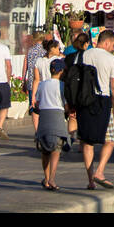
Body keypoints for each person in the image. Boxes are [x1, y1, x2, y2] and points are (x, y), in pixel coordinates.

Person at [78, 29, 114, 191]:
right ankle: (99, 172)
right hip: (102, 101)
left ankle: (90, 180)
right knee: (111, 140)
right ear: (106, 42)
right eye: (113, 44)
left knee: (87, 142)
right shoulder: (110, 59)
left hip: (84, 100)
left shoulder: (84, 55)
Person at [33, 56, 70, 191]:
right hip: (57, 117)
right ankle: (52, 178)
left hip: (44, 117)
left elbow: (37, 103)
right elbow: (65, 105)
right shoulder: (62, 86)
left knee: (45, 150)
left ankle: (47, 178)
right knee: (56, 149)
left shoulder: (42, 84)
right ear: (61, 72)